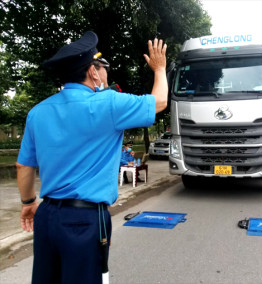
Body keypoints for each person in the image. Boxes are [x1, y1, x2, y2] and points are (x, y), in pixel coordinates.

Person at [16, 31, 168, 283]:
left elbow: (24, 166)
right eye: (104, 66)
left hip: (46, 216)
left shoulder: (37, 112)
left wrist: (28, 202)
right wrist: (159, 68)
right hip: (84, 220)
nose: (106, 72)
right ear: (93, 72)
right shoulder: (108, 104)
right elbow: (160, 101)